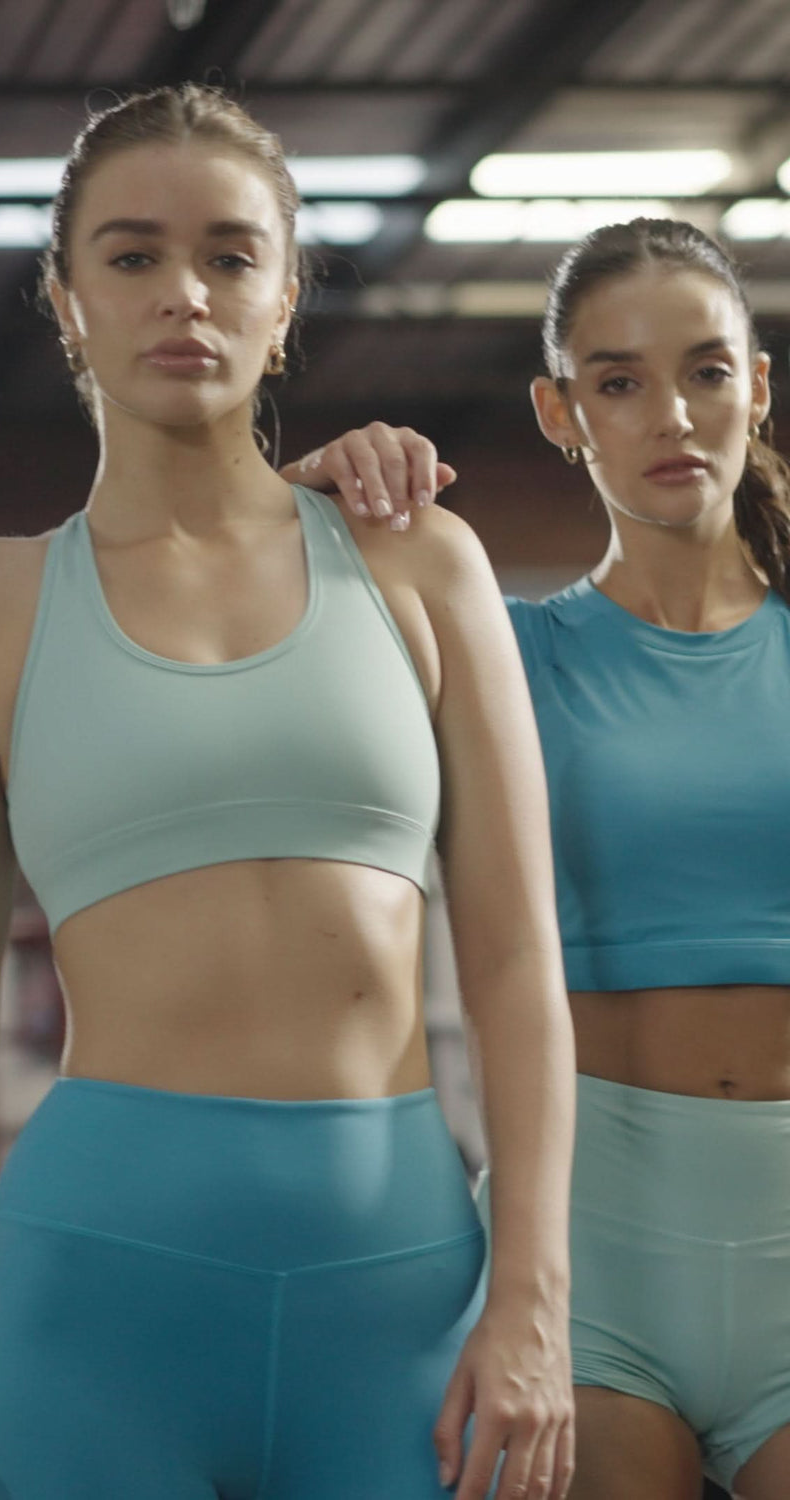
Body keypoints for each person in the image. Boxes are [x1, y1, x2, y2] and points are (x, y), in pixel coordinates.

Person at [0, 85, 576, 1500]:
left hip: (397, 1299)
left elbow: (519, 960)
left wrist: (534, 1295)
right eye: (133, 254)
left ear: (286, 298)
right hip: (95, 1300)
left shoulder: (420, 564)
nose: (184, 296)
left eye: (229, 255)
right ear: (66, 298)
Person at [299, 217, 790, 1500]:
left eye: (705, 370)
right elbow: (241, 609)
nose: (671, 413)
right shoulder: (504, 654)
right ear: (559, 412)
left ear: (758, 383)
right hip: (594, 1247)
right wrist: (309, 485)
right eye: (618, 382)